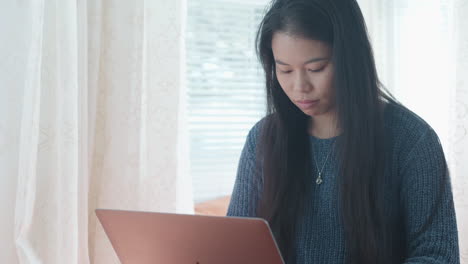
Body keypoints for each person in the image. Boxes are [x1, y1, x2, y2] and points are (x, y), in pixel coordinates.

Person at [226, 0, 460, 263]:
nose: (299, 86)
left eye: (316, 68)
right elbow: (236, 246)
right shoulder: (263, 139)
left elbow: (437, 255)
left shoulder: (412, 141)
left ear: (350, 59)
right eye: (285, 70)